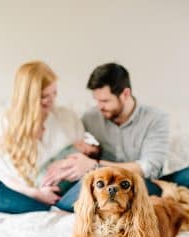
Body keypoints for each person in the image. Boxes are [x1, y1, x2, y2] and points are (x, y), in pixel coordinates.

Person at [44, 62, 189, 210]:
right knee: (72, 195)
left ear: (125, 94)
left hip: (145, 183)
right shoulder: (91, 117)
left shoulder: (155, 118)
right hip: (105, 183)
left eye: (105, 101)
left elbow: (148, 168)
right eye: (97, 100)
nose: (99, 106)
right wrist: (90, 150)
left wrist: (95, 165)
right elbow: (83, 146)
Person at [0, 60, 100, 213]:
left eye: (54, 93)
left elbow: (85, 154)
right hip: (24, 195)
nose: (52, 100)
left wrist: (75, 160)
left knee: (98, 182)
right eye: (43, 96)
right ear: (26, 98)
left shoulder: (67, 117)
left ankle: (58, 207)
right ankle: (42, 208)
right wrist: (36, 194)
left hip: (64, 194)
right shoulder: (4, 124)